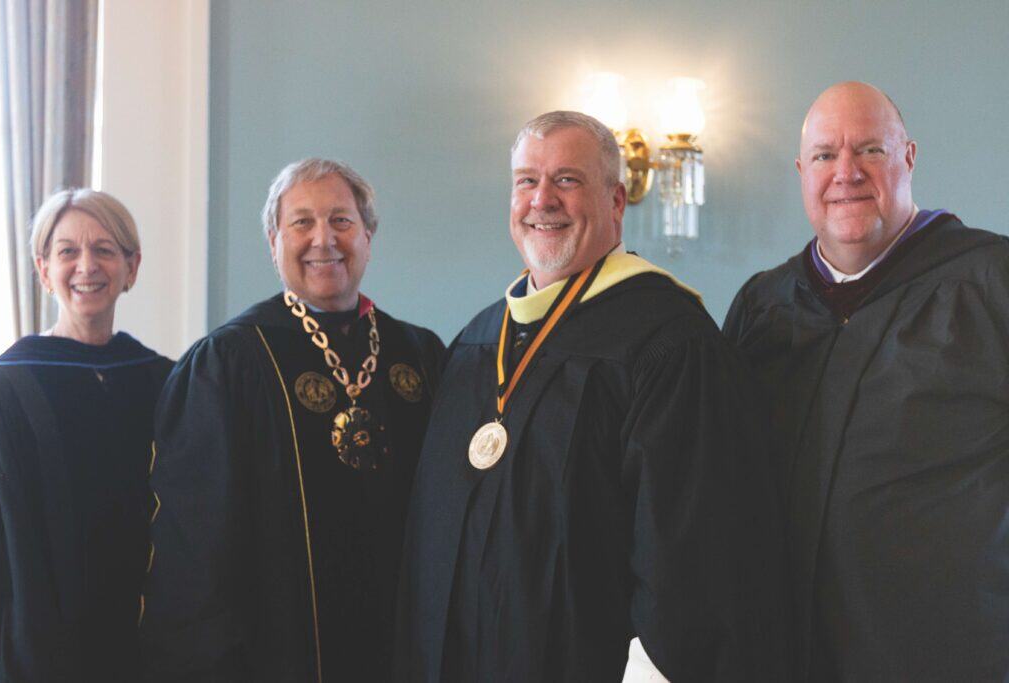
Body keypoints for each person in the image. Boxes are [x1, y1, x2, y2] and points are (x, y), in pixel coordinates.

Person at [395, 111, 789, 682]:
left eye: (567, 180)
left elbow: (691, 555)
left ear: (616, 201)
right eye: (526, 181)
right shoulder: (477, 341)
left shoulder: (669, 341)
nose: (542, 200)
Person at [724, 81, 1009, 681]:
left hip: (952, 650)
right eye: (826, 155)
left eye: (870, 151)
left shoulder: (989, 280)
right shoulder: (763, 306)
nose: (845, 172)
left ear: (908, 158)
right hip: (788, 648)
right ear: (802, 171)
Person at [141, 158, 445, 682]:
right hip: (274, 656)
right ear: (273, 242)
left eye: (342, 221)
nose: (323, 239)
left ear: (368, 237)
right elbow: (193, 547)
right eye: (302, 222)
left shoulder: (418, 355)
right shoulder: (228, 362)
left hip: (404, 648)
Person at [0, 189, 173, 681]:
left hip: (147, 639)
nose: (86, 266)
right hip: (42, 643)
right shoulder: (4, 387)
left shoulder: (164, 381)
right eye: (67, 251)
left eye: (104, 249)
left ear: (131, 267)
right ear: (44, 270)